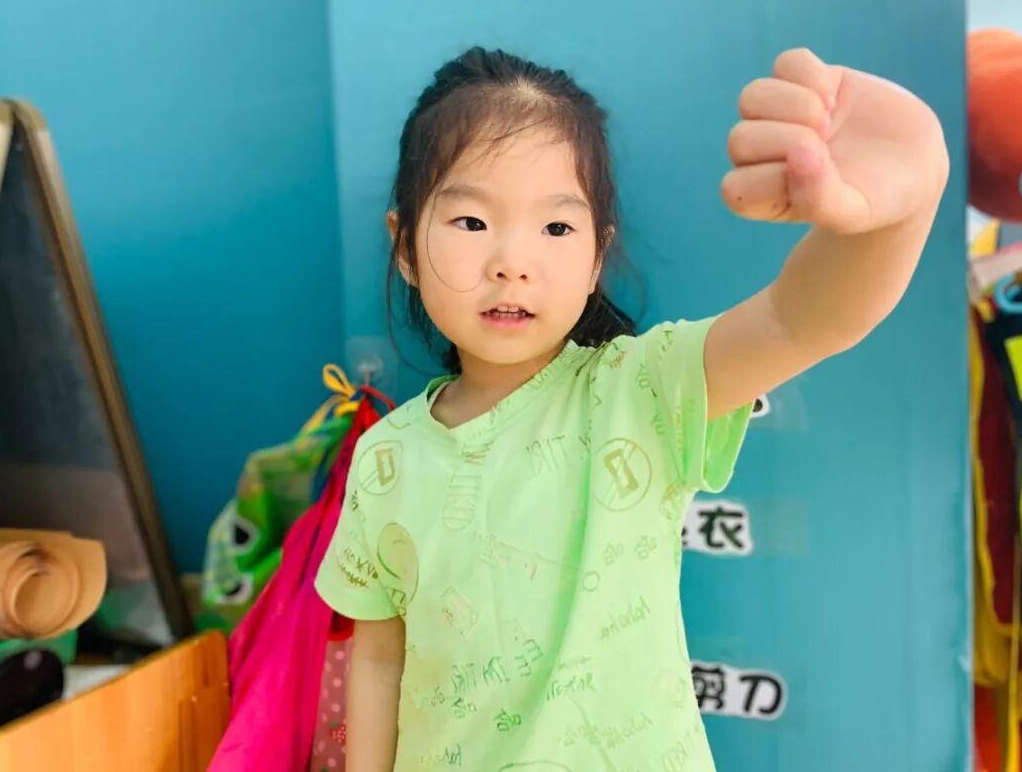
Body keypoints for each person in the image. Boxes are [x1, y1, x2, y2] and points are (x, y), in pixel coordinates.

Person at [315, 46, 949, 771]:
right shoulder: (386, 457)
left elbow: (801, 319)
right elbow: (379, 660)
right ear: (404, 246)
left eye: (556, 228)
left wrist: (904, 202)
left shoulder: (639, 392)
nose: (512, 262)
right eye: (471, 221)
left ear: (596, 257)